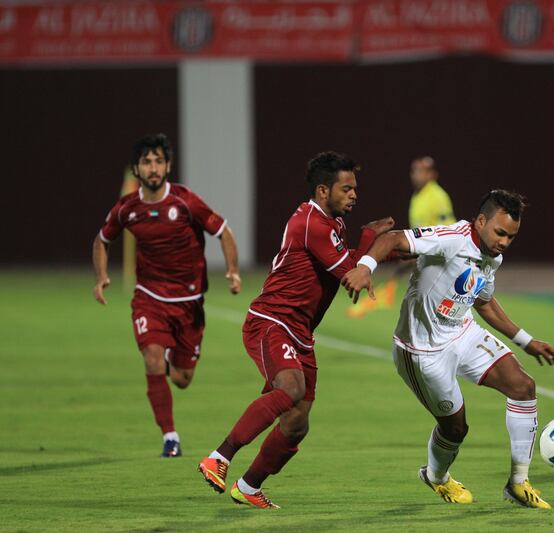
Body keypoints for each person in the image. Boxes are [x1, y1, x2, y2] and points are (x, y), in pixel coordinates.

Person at [197, 151, 394, 509]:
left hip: (300, 332)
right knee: (290, 388)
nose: (354, 195)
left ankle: (249, 486)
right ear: (323, 190)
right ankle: (219, 457)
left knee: (297, 423)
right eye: (346, 189)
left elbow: (351, 260)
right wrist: (372, 240)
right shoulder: (311, 224)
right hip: (271, 322)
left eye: (355, 188)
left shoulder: (331, 222)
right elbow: (350, 274)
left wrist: (397, 249)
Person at [342, 190, 554, 508]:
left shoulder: (492, 256)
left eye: (511, 237)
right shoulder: (451, 238)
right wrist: (365, 267)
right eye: (500, 233)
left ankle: (518, 483)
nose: (504, 242)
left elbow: (483, 303)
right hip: (421, 351)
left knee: (523, 387)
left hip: (462, 331)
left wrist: (527, 341)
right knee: (455, 429)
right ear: (481, 221)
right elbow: (391, 239)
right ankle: (436, 476)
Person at [92, 133, 241, 458]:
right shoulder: (127, 209)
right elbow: (102, 240)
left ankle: (175, 360)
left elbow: (224, 231)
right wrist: (102, 276)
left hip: (189, 303)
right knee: (152, 359)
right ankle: (170, 437)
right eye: (146, 161)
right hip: (149, 299)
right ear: (137, 169)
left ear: (168, 165)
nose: (153, 167)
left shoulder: (186, 201)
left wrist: (233, 270)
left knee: (183, 379)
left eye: (159, 160)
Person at [347, 156, 455, 318]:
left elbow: (449, 231)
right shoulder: (419, 195)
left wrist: (424, 249)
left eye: (422, 171)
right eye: (415, 171)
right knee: (419, 305)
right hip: (423, 256)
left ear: (432, 174)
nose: (417, 175)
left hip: (440, 261)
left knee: (436, 309)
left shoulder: (437, 196)